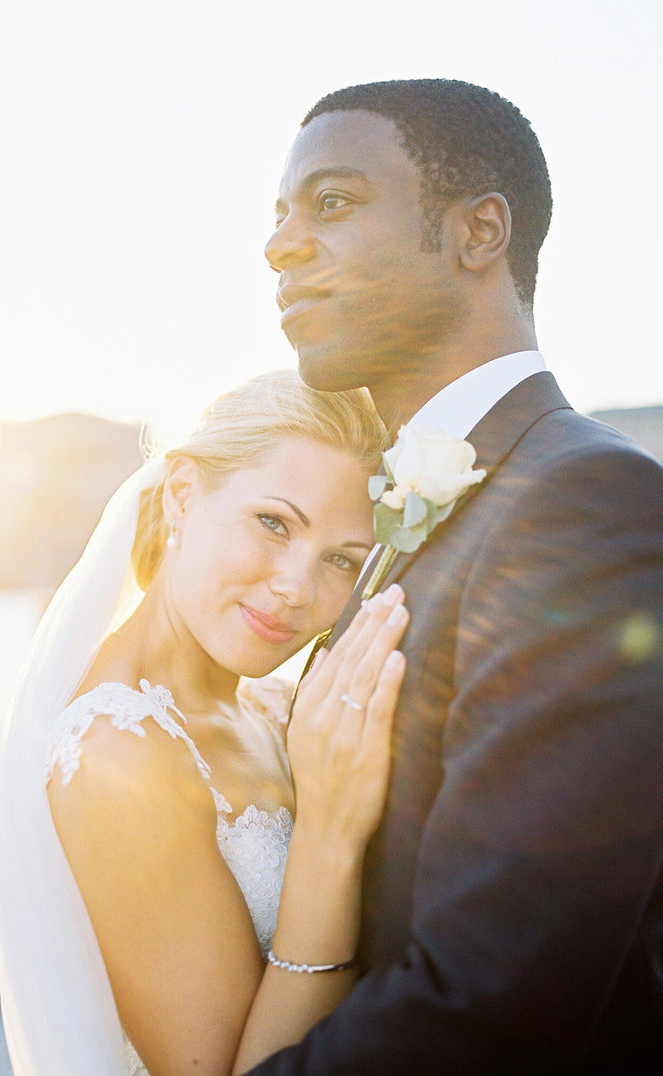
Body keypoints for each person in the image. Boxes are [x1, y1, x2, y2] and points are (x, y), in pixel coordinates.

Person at [248, 79, 663, 1073]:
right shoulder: (401, 515)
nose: (278, 245)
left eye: (331, 203)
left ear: (479, 231)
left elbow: (493, 1000)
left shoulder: (588, 502)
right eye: (277, 215)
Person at [0, 369, 412, 1076]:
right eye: (274, 524)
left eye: (341, 560)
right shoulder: (115, 751)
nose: (296, 588)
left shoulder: (274, 710)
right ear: (182, 494)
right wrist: (331, 833)